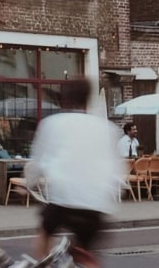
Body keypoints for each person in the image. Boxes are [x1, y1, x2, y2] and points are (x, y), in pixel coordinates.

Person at [26, 78, 118, 264]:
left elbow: (36, 163)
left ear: (64, 99)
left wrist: (30, 184)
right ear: (88, 99)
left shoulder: (51, 123)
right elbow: (114, 168)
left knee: (44, 236)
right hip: (95, 203)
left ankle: (45, 263)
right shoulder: (107, 128)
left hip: (63, 198)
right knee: (86, 252)